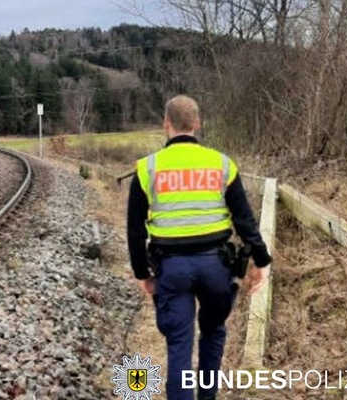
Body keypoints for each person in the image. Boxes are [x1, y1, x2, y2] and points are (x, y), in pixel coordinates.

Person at [126, 95, 272, 400]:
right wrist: (261, 261)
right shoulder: (222, 165)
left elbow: (135, 229)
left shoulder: (146, 168)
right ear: (197, 124)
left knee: (180, 343)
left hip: (172, 267)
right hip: (216, 267)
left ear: (166, 124)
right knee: (213, 331)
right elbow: (245, 220)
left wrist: (142, 273)